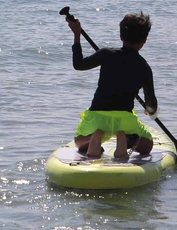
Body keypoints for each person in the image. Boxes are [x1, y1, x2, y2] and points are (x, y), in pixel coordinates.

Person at [67, 12, 157, 159]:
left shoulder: (106, 53)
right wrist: (150, 110)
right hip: (124, 119)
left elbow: (78, 64)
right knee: (147, 145)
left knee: (79, 141)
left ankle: (93, 139)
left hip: (97, 117)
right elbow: (151, 105)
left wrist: (77, 34)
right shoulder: (144, 67)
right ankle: (126, 140)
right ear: (145, 39)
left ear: (121, 36)